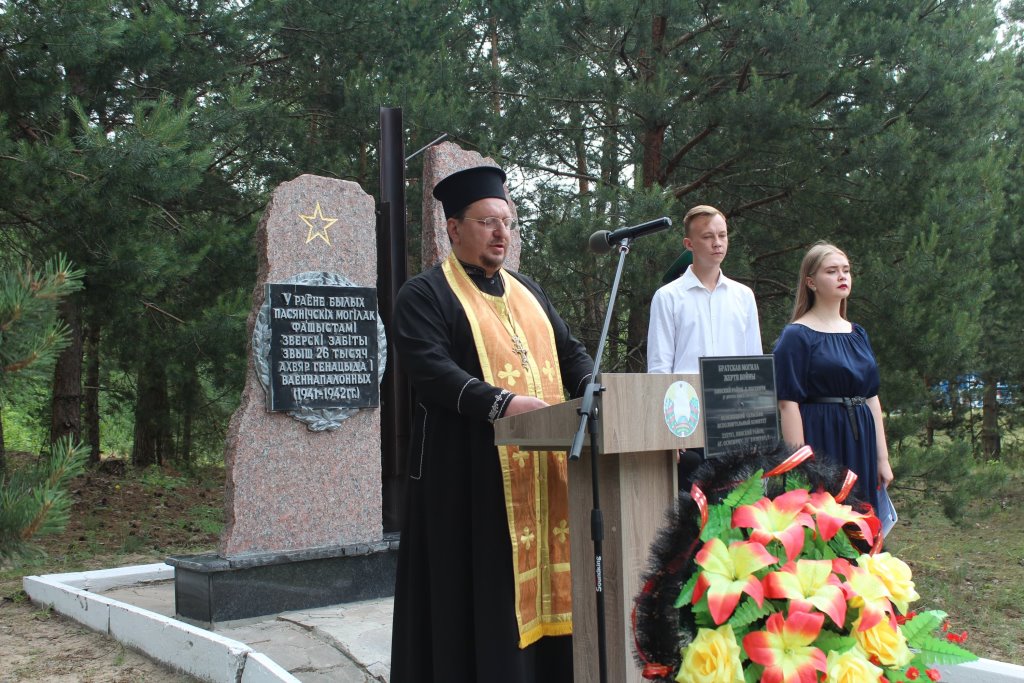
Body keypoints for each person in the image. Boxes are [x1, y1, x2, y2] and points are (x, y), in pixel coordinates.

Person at [389, 165, 594, 683]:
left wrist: (595, 386)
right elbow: (430, 369)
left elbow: (571, 354)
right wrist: (501, 403)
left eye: (508, 221)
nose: (502, 233)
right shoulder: (424, 294)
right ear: (454, 228)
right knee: (483, 599)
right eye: (488, 222)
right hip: (467, 481)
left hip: (544, 479)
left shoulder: (529, 291)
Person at [772, 241, 894, 515]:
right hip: (822, 437)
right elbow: (787, 404)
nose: (842, 276)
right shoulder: (796, 336)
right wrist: (801, 464)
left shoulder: (858, 334)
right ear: (811, 282)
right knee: (826, 524)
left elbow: (871, 398)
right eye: (832, 271)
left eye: (846, 270)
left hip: (861, 437)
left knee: (862, 523)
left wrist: (881, 458)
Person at [646, 204, 762, 488]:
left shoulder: (743, 296)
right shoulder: (668, 297)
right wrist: (667, 432)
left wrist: (757, 426)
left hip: (734, 419)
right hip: (687, 419)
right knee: (693, 513)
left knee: (737, 515)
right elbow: (660, 367)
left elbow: (754, 362)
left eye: (722, 235)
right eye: (708, 237)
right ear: (689, 243)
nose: (718, 243)